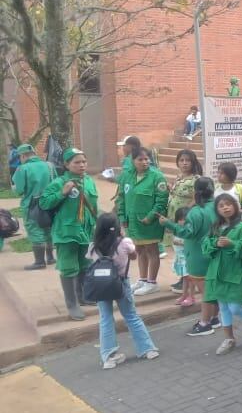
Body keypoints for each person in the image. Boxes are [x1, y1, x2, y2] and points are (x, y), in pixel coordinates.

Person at [89, 213, 160, 369]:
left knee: (105, 318)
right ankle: (147, 349)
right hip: (121, 283)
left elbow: (91, 259)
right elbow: (134, 256)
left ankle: (108, 357)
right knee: (131, 315)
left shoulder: (93, 246)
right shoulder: (124, 243)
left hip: (101, 286)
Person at [39, 149, 99, 321]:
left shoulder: (89, 181)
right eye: (76, 162)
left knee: (85, 265)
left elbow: (93, 205)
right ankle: (72, 304)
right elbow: (44, 202)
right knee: (68, 268)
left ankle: (83, 296)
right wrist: (62, 192)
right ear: (66, 165)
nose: (81, 165)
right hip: (66, 232)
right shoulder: (59, 182)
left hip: (86, 230)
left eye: (84, 162)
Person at [203, 194, 242, 355]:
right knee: (223, 307)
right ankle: (229, 339)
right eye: (221, 205)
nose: (225, 207)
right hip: (217, 273)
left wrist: (232, 244)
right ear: (217, 210)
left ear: (235, 206)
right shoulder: (214, 227)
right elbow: (205, 247)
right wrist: (214, 243)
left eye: (228, 204)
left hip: (235, 273)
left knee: (235, 308)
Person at [161, 178, 217, 322]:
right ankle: (215, 318)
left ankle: (205, 323)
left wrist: (168, 224)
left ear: (195, 192)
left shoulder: (196, 212)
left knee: (207, 294)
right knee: (213, 290)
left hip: (198, 258)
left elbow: (187, 233)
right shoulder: (219, 206)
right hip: (215, 254)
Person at [118, 146, 169, 296]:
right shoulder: (127, 176)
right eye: (140, 159)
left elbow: (161, 201)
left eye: (147, 159)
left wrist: (151, 216)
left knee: (152, 250)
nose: (144, 162)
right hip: (132, 222)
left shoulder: (157, 176)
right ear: (132, 161)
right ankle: (142, 279)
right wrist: (122, 217)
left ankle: (152, 283)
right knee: (139, 250)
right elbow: (121, 198)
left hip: (149, 223)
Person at [13, 143, 56, 270]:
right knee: (48, 229)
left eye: (20, 157)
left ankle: (39, 262)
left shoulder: (23, 169)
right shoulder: (49, 165)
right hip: (50, 203)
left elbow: (19, 190)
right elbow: (56, 183)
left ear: (23, 155)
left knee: (35, 230)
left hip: (32, 205)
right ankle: (51, 257)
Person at [165, 149, 202, 294]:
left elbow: (196, 198)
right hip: (175, 218)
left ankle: (190, 279)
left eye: (188, 160)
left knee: (186, 249)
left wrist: (185, 213)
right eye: (181, 160)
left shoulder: (196, 179)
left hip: (185, 219)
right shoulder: (179, 177)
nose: (184, 163)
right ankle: (184, 278)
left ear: (193, 162)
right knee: (179, 250)